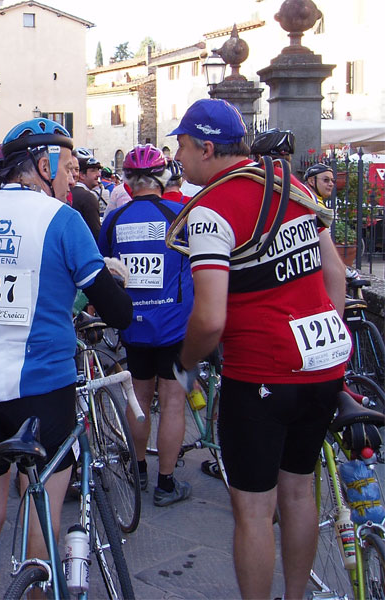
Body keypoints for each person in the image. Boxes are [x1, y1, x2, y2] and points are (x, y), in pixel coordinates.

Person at [0, 118, 133, 599]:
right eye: (68, 167)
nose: (72, 178)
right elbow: (114, 309)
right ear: (43, 164)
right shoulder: (61, 219)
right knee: (41, 516)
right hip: (41, 388)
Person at [170, 98, 348, 599]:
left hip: (260, 372)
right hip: (322, 365)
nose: (179, 159)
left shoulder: (210, 210)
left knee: (252, 508)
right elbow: (333, 273)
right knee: (298, 490)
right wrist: (320, 328)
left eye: (183, 146)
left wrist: (183, 364)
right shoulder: (289, 185)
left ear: (207, 147)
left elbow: (208, 319)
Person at [98, 144, 194, 506]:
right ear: (161, 177)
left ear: (128, 180)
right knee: (173, 402)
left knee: (138, 397)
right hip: (176, 328)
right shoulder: (181, 213)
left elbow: (105, 266)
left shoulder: (115, 218)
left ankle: (137, 469)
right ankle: (166, 484)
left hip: (133, 326)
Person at [70, 147, 102, 240]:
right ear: (82, 175)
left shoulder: (62, 193)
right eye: (93, 170)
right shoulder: (88, 198)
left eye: (98, 170)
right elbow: (96, 236)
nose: (98, 174)